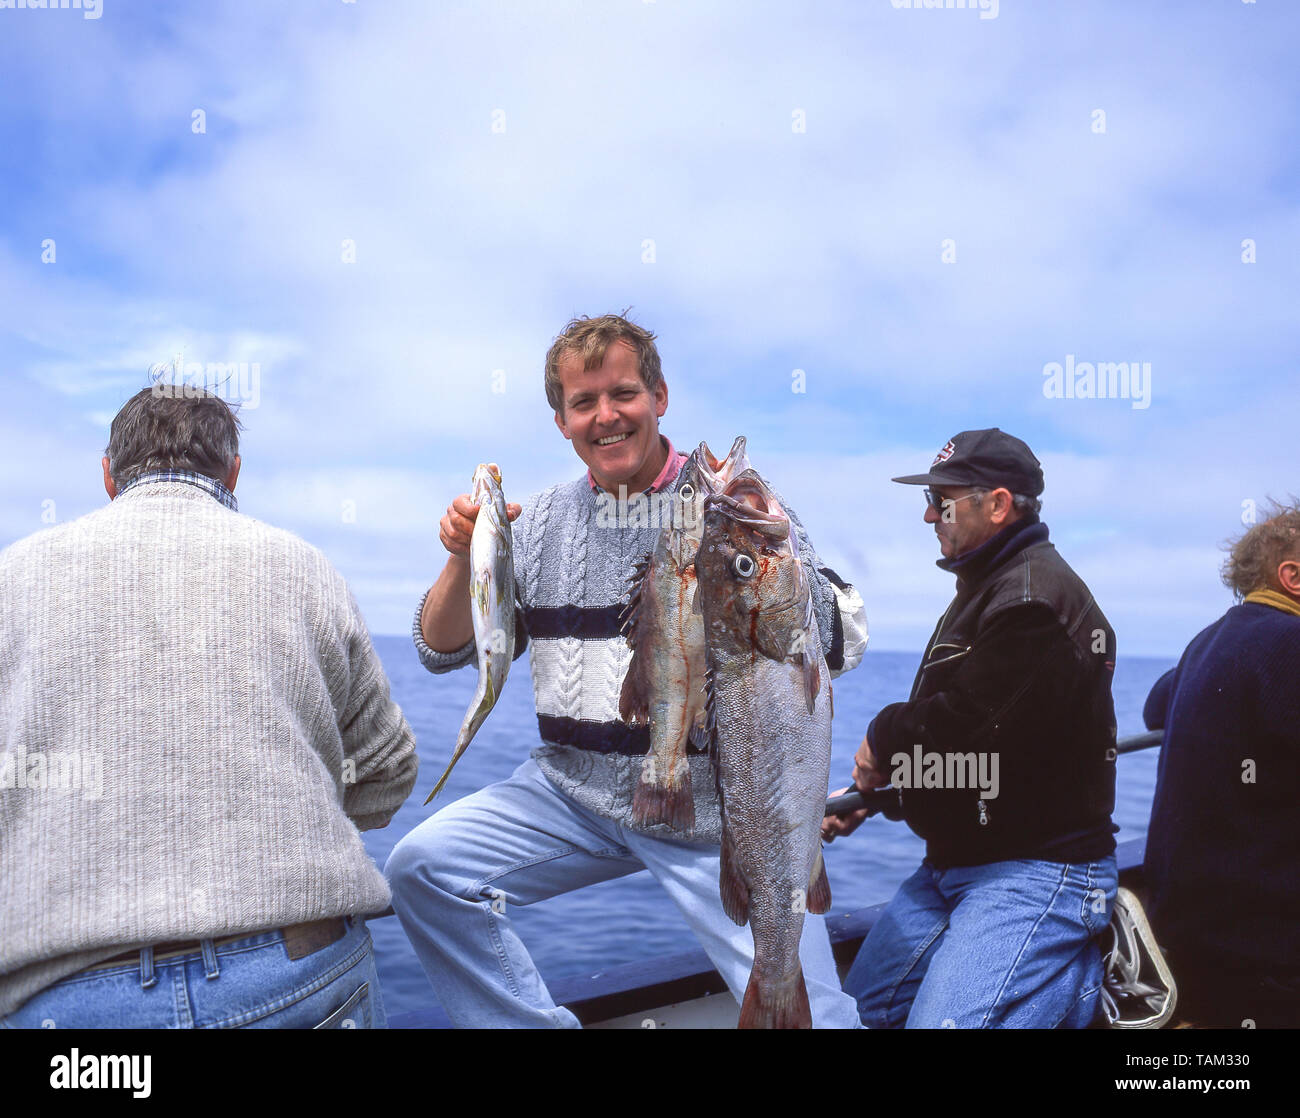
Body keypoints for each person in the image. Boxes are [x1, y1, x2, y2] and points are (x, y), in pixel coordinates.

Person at [385, 313, 868, 1028]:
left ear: (660, 396)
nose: (606, 416)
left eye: (623, 394)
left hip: (712, 814)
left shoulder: (736, 514)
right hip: (569, 793)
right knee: (421, 867)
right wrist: (465, 555)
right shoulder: (540, 521)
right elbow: (441, 650)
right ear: (562, 422)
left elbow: (838, 642)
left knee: (818, 1019)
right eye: (584, 403)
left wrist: (769, 576)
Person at [0, 384, 416, 1029]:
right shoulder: (303, 568)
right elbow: (386, 769)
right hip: (299, 965)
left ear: (108, 474)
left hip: (74, 997)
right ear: (233, 471)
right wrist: (283, 816)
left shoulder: (13, 578)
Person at [823, 428, 1118, 1028]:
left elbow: (968, 730)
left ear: (999, 504)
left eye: (943, 500)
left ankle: (1090, 984)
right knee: (857, 1014)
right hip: (952, 865)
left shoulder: (1034, 601)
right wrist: (879, 796)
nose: (930, 514)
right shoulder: (987, 589)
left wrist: (882, 737)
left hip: (1038, 871)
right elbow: (993, 760)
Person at [1141, 501, 1300, 1029]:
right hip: (1266, 952)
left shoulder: (1206, 642)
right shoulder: (1291, 645)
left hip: (1189, 938)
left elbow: (1155, 706)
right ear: (1292, 576)